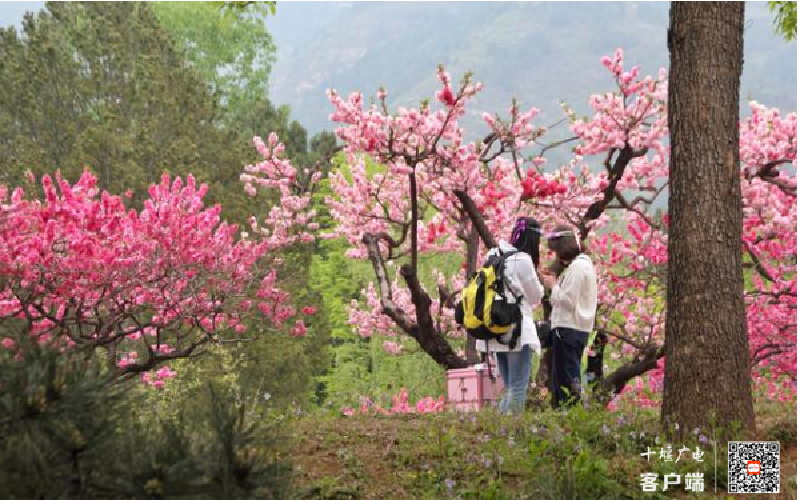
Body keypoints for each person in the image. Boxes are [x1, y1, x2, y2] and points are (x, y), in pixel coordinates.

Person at [476, 217, 544, 414]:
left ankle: (498, 430)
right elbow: (535, 296)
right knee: (517, 387)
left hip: (495, 330)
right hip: (516, 332)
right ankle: (509, 433)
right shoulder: (522, 259)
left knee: (509, 387)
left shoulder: (493, 253)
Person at [538, 224, 598, 408]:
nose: (557, 256)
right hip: (572, 329)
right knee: (564, 378)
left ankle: (569, 414)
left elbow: (568, 301)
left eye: (557, 251)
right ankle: (566, 413)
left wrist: (553, 285)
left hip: (569, 329)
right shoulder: (580, 265)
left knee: (566, 379)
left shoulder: (579, 267)